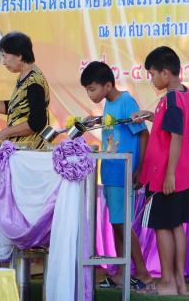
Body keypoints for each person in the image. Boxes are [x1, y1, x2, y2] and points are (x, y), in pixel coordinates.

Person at [80, 61, 152, 289]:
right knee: (116, 223)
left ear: (108, 85)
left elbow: (143, 135)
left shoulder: (126, 101)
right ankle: (122, 272)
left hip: (124, 171)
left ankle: (143, 273)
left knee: (122, 224)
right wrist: (96, 121)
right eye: (87, 90)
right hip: (110, 171)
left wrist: (139, 168)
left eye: (92, 89)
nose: (90, 95)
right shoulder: (109, 104)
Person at [132, 46, 189, 296]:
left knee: (162, 226)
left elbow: (176, 137)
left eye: (152, 74)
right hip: (182, 174)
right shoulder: (184, 93)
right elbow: (172, 126)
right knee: (176, 225)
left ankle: (167, 281)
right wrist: (152, 116)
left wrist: (169, 175)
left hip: (164, 175)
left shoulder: (171, 99)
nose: (151, 80)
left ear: (166, 73)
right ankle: (179, 282)